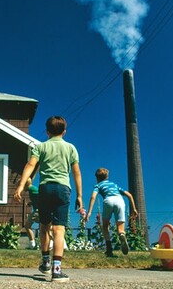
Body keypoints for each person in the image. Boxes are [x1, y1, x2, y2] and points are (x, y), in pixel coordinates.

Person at [14, 116, 83, 283]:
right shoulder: (71, 148)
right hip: (63, 189)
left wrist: (21, 185)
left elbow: (30, 165)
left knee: (44, 227)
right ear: (64, 131)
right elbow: (76, 173)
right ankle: (57, 271)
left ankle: (45, 262)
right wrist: (80, 195)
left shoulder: (41, 147)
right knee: (59, 230)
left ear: (47, 131)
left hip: (45, 189)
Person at [84, 167, 138, 257]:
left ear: (97, 178)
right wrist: (134, 208)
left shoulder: (98, 185)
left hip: (108, 201)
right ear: (107, 177)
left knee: (105, 227)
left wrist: (89, 212)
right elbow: (129, 195)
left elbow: (93, 197)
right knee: (120, 229)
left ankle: (109, 250)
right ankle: (121, 235)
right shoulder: (114, 185)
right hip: (120, 201)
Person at [23, 177, 40, 249]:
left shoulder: (32, 190)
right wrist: (32, 203)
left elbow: (41, 197)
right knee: (45, 227)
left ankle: (32, 244)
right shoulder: (32, 189)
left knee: (27, 226)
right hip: (40, 210)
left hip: (38, 211)